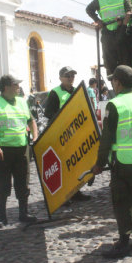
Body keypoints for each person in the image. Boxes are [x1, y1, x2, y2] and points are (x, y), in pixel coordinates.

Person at [91, 65, 132, 258]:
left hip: (123, 161)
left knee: (123, 201)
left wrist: (99, 163)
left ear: (118, 82)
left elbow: (107, 138)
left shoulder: (115, 105)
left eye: (113, 81)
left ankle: (124, 242)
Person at [0, 75, 39, 228]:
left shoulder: (22, 102)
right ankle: (2, 217)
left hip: (22, 149)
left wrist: (35, 137)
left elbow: (32, 120)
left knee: (23, 182)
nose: (18, 87)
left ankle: (24, 213)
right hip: (3, 150)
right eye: (15, 85)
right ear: (6, 87)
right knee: (2, 184)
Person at [45, 66, 92, 202]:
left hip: (76, 133)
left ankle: (76, 191)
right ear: (60, 78)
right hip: (62, 135)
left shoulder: (77, 91)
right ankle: (64, 195)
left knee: (76, 164)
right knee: (64, 166)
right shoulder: (55, 93)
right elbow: (49, 113)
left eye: (72, 76)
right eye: (68, 76)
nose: (71, 78)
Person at [86, 0, 132, 74]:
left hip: (122, 31)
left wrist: (127, 16)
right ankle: (114, 83)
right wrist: (97, 20)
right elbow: (89, 9)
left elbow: (131, 10)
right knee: (109, 61)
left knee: (125, 60)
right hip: (108, 32)